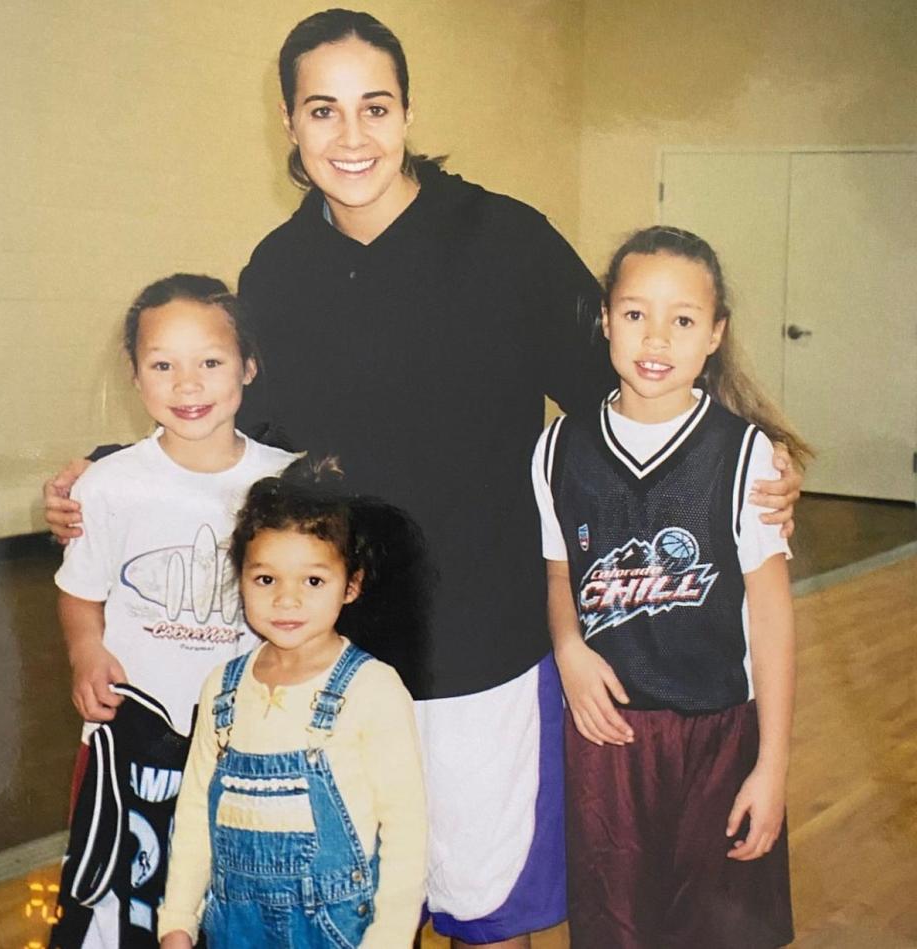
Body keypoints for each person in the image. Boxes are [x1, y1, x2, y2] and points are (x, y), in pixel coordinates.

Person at [43, 12, 802, 947]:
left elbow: (637, 391)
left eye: (375, 107)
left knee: (486, 913)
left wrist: (747, 462)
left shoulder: (506, 240)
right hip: (331, 656)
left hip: (483, 647)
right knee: (351, 911)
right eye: (324, 110)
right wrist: (112, 469)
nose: (351, 137)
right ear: (289, 122)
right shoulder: (277, 273)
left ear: (407, 112)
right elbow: (244, 444)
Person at [533, 226, 808, 947]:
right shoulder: (559, 447)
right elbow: (560, 571)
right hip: (609, 739)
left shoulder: (745, 453)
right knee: (616, 932)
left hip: (719, 733)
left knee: (719, 933)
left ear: (714, 334)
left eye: (682, 319)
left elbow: (773, 617)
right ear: (604, 321)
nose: (656, 337)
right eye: (634, 313)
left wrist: (772, 765)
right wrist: (568, 645)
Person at [51, 274, 296, 946]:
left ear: (249, 366)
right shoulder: (108, 484)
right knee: (133, 905)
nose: (188, 385)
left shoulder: (289, 481)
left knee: (236, 904)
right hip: (138, 743)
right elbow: (81, 589)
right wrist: (85, 650)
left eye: (210, 362)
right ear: (135, 375)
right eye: (163, 364)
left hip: (252, 743)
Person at [156, 460, 427, 948]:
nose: (286, 601)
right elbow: (196, 809)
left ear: (352, 585)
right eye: (266, 580)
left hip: (337, 930)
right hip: (233, 927)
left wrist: (389, 938)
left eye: (313, 582)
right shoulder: (223, 686)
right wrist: (177, 917)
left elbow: (406, 829)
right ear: (241, 578)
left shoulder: (372, 688)